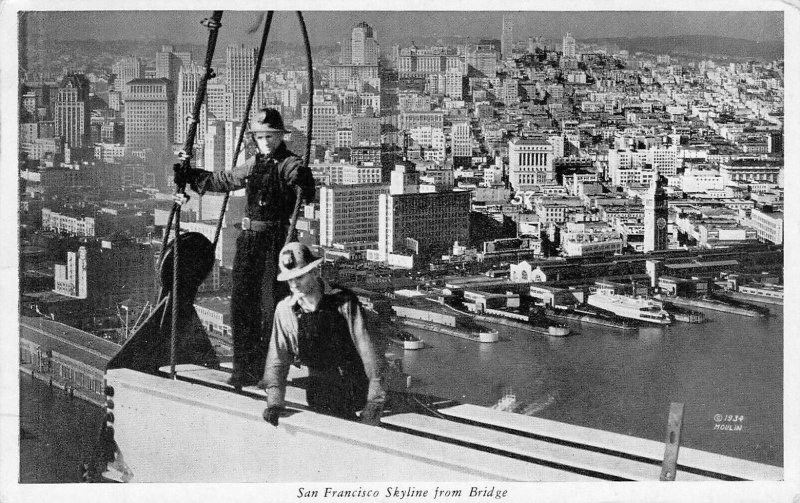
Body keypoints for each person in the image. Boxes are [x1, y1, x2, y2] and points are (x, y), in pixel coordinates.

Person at [174, 108, 315, 388]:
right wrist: (191, 175)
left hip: (276, 241)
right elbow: (225, 180)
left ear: (279, 137)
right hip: (250, 240)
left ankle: (269, 370)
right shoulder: (253, 164)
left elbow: (301, 183)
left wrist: (302, 179)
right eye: (260, 136)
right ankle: (243, 368)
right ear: (255, 138)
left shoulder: (289, 164)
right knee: (241, 303)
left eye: (270, 136)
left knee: (270, 306)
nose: (265, 141)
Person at [261, 242, 387, 426]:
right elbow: (277, 359)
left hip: (354, 393)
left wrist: (374, 404)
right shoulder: (285, 310)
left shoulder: (344, 301)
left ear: (314, 272)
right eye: (290, 279)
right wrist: (274, 403)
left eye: (300, 277)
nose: (294, 284)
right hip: (318, 393)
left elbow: (370, 354)